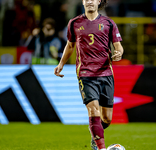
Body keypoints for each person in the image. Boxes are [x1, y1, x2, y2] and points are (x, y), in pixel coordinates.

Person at [54, 0, 124, 150]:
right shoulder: (74, 23)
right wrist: (60, 64)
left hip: (105, 73)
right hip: (85, 73)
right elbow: (70, 45)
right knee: (93, 110)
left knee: (106, 118)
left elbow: (118, 46)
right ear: (83, 2)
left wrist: (119, 53)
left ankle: (94, 134)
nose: (90, 1)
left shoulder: (109, 23)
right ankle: (101, 148)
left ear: (99, 2)